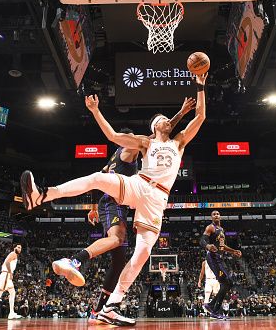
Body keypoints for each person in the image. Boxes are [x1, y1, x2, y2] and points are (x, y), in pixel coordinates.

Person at [21, 72, 208, 326]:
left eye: (168, 119)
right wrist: (95, 111)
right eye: (162, 120)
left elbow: (201, 117)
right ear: (155, 127)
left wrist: (200, 84)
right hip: (139, 185)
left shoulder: (180, 142)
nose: (167, 121)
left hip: (157, 200)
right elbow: (111, 136)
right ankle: (42, 195)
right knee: (98, 178)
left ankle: (111, 306)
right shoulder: (144, 142)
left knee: (142, 254)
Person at [51, 99, 195, 322]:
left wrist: (93, 207)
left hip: (116, 200)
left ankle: (100, 310)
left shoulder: (115, 159)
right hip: (116, 201)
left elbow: (99, 180)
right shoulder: (130, 150)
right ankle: (76, 260)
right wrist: (179, 115)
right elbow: (156, 137)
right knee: (117, 239)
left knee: (119, 262)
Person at [201, 210, 241, 320]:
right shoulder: (210, 227)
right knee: (227, 282)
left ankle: (210, 305)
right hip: (213, 258)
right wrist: (207, 245)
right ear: (211, 218)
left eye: (217, 214)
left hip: (220, 258)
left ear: (220, 216)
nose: (216, 215)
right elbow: (202, 240)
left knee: (228, 283)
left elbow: (223, 246)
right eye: (214, 214)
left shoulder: (222, 230)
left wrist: (233, 251)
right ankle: (213, 310)